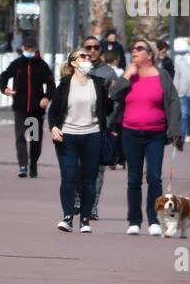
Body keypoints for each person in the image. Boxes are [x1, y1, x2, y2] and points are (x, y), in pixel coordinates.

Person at [109, 38, 181, 236]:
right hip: (130, 132)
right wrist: (126, 76)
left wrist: (174, 129)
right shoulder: (129, 75)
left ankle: (154, 220)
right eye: (132, 48)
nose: (134, 51)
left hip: (155, 133)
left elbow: (173, 102)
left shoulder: (162, 76)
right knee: (133, 178)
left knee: (154, 176)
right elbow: (113, 94)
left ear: (150, 54)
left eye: (139, 49)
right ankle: (134, 220)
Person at [49, 47, 113, 234]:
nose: (87, 58)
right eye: (82, 56)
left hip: (92, 135)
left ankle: (85, 219)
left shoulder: (99, 84)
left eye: (88, 56)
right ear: (73, 62)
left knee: (89, 180)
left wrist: (109, 97)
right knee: (68, 177)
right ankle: (67, 217)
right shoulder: (65, 84)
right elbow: (54, 112)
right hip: (67, 135)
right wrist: (54, 127)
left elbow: (106, 110)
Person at [0, 36, 53, 177]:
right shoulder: (17, 64)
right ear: (23, 48)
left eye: (32, 47)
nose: (29, 50)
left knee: (34, 138)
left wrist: (46, 97)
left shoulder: (42, 65)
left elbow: (51, 84)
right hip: (21, 107)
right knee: (21, 136)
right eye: (27, 47)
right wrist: (5, 89)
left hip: (36, 109)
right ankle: (23, 166)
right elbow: (4, 75)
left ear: (36, 48)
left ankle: (33, 163)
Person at [78, 34, 119, 219]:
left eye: (96, 47)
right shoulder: (76, 70)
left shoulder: (108, 73)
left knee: (98, 170)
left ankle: (93, 205)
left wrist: (110, 124)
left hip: (99, 128)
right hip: (77, 126)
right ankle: (78, 199)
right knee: (77, 167)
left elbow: (116, 101)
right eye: (89, 47)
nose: (92, 50)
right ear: (83, 49)